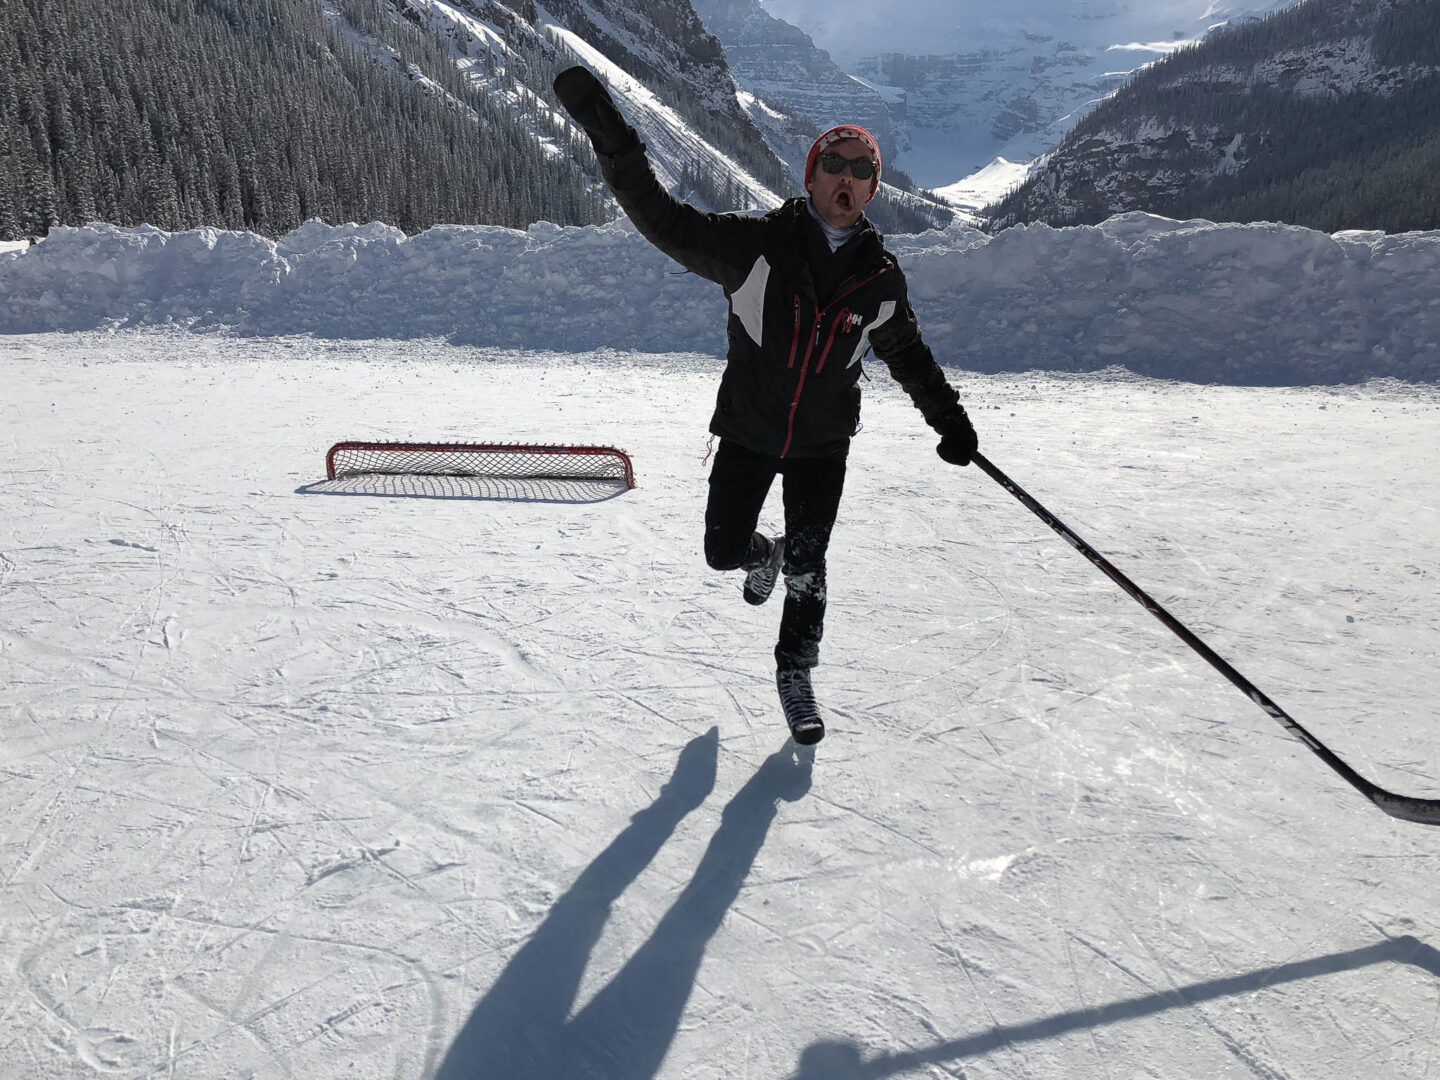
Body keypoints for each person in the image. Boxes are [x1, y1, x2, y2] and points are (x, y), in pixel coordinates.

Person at [553, 66, 978, 746]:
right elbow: (663, 221)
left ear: (873, 187)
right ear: (810, 177)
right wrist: (616, 144)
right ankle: (761, 555)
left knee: (811, 567)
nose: (847, 176)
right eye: (833, 163)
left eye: (861, 168)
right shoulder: (754, 248)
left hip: (821, 445)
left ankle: (795, 671)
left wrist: (951, 422)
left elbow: (910, 357)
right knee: (721, 552)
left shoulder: (881, 278)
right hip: (749, 432)